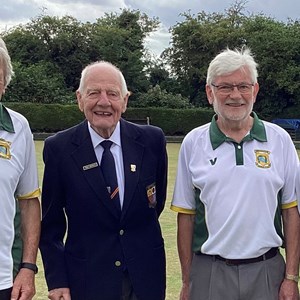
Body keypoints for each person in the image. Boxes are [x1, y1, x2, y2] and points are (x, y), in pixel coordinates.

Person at [171, 47, 300, 300]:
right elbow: (185, 218)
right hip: (209, 272)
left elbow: (291, 212)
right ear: (210, 93)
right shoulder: (193, 142)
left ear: (255, 90)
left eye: (243, 86)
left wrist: (291, 277)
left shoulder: (280, 140)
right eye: (225, 87)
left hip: (267, 270)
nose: (235, 95)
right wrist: (188, 281)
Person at [39, 61, 168, 300]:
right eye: (94, 93)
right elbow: (51, 226)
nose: (104, 102)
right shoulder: (59, 149)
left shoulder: (152, 141)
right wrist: (57, 282)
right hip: (87, 280)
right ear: (79, 99)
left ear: (125, 100)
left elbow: (154, 204)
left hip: (145, 277)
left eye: (112, 94)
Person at [0, 38, 41, 300]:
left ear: (3, 84)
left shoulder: (19, 127)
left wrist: (28, 267)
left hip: (4, 278)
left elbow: (28, 203)